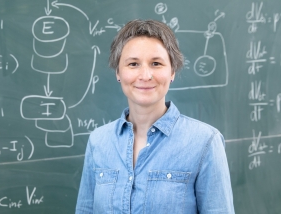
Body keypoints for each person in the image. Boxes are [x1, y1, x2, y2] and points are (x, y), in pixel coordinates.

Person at [75, 19, 234, 213]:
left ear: (172, 71)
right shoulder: (98, 141)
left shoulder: (205, 142)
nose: (145, 75)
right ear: (118, 72)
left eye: (156, 63)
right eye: (133, 64)